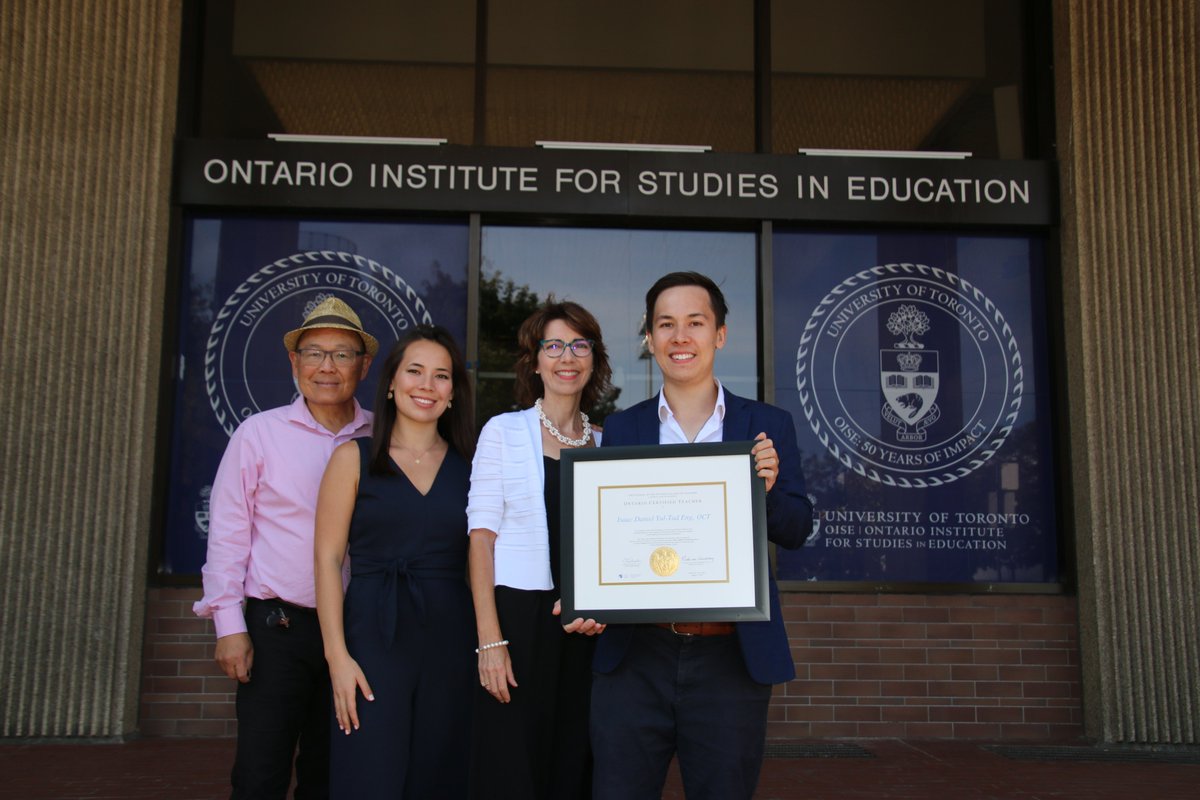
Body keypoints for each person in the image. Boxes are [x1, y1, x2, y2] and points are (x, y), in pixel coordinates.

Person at [590, 272, 813, 800]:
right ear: (649, 338)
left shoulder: (767, 425)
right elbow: (606, 532)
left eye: (695, 322)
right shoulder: (621, 428)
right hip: (635, 655)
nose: (680, 337)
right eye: (666, 324)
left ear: (720, 335)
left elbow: (798, 529)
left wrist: (769, 488)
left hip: (730, 658)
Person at [194, 296, 378, 799]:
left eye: (342, 354)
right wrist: (230, 627)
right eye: (314, 353)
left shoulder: (381, 437)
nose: (327, 367)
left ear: (363, 366)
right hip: (279, 628)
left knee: (332, 771)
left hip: (357, 632)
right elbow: (228, 534)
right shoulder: (259, 434)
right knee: (260, 772)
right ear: (294, 362)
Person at [314, 325, 477, 800]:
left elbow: (481, 562)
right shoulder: (353, 457)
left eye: (441, 376)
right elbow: (327, 560)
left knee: (441, 773)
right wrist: (337, 658)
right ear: (390, 383)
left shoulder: (474, 466)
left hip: (450, 640)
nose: (427, 385)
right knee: (371, 774)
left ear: (452, 392)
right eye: (415, 371)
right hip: (371, 640)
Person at [467, 301, 612, 800]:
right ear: (535, 361)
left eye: (579, 345)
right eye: (553, 345)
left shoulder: (607, 443)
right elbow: (480, 539)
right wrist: (490, 641)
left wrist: (602, 606)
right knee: (513, 767)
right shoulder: (502, 433)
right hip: (519, 622)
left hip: (587, 630)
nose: (565, 356)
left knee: (576, 765)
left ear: (593, 358)